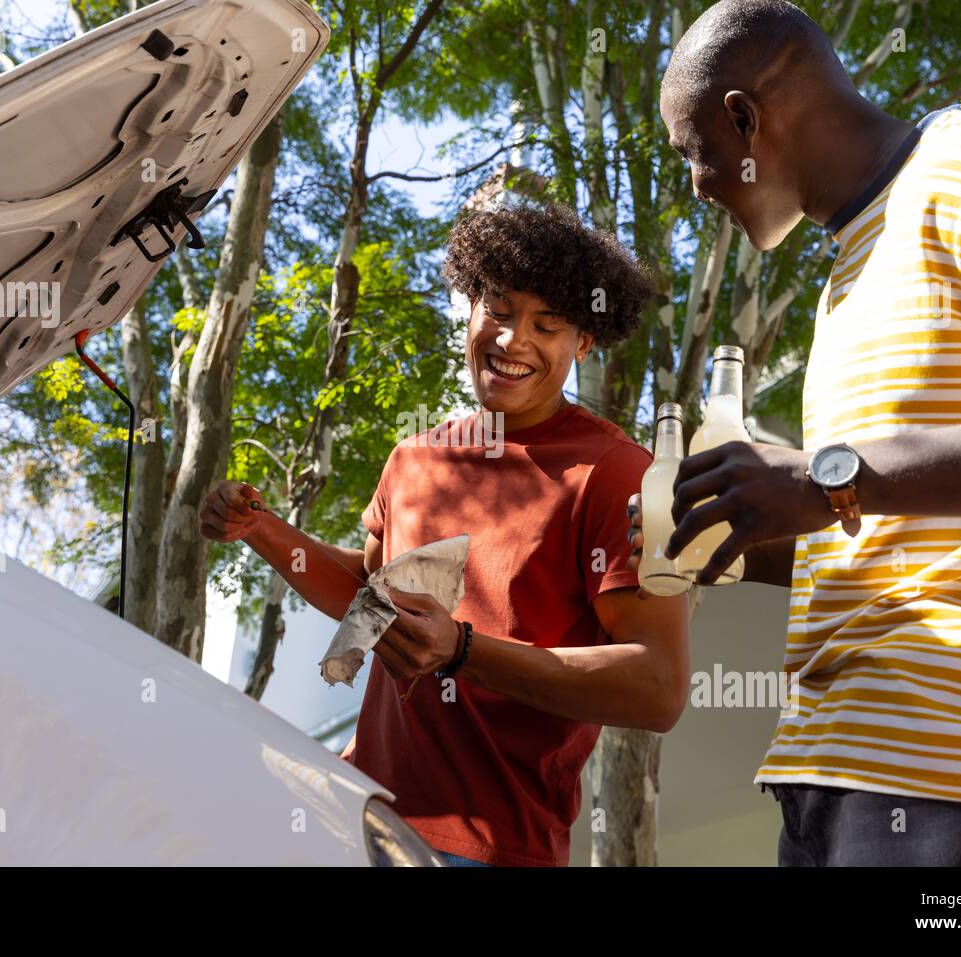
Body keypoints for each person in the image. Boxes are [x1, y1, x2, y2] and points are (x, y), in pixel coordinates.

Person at [632, 0, 961, 866]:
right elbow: (894, 519)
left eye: (693, 155)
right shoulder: (848, 269)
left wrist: (822, 476)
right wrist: (739, 531)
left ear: (744, 117)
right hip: (838, 785)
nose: (696, 186)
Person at [201, 202, 690, 867]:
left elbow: (657, 686)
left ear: (584, 343)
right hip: (362, 815)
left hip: (491, 849)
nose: (514, 339)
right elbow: (369, 597)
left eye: (547, 325)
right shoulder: (415, 459)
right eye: (498, 308)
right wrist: (259, 527)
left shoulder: (614, 472)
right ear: (469, 309)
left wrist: (460, 649)